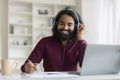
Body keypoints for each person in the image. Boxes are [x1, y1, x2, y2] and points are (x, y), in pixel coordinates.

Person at [21, 7, 87, 74]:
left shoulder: (80, 43)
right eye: (61, 23)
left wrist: (81, 39)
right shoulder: (45, 42)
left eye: (69, 24)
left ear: (76, 27)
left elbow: (86, 66)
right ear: (56, 24)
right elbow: (26, 65)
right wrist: (27, 67)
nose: (65, 27)